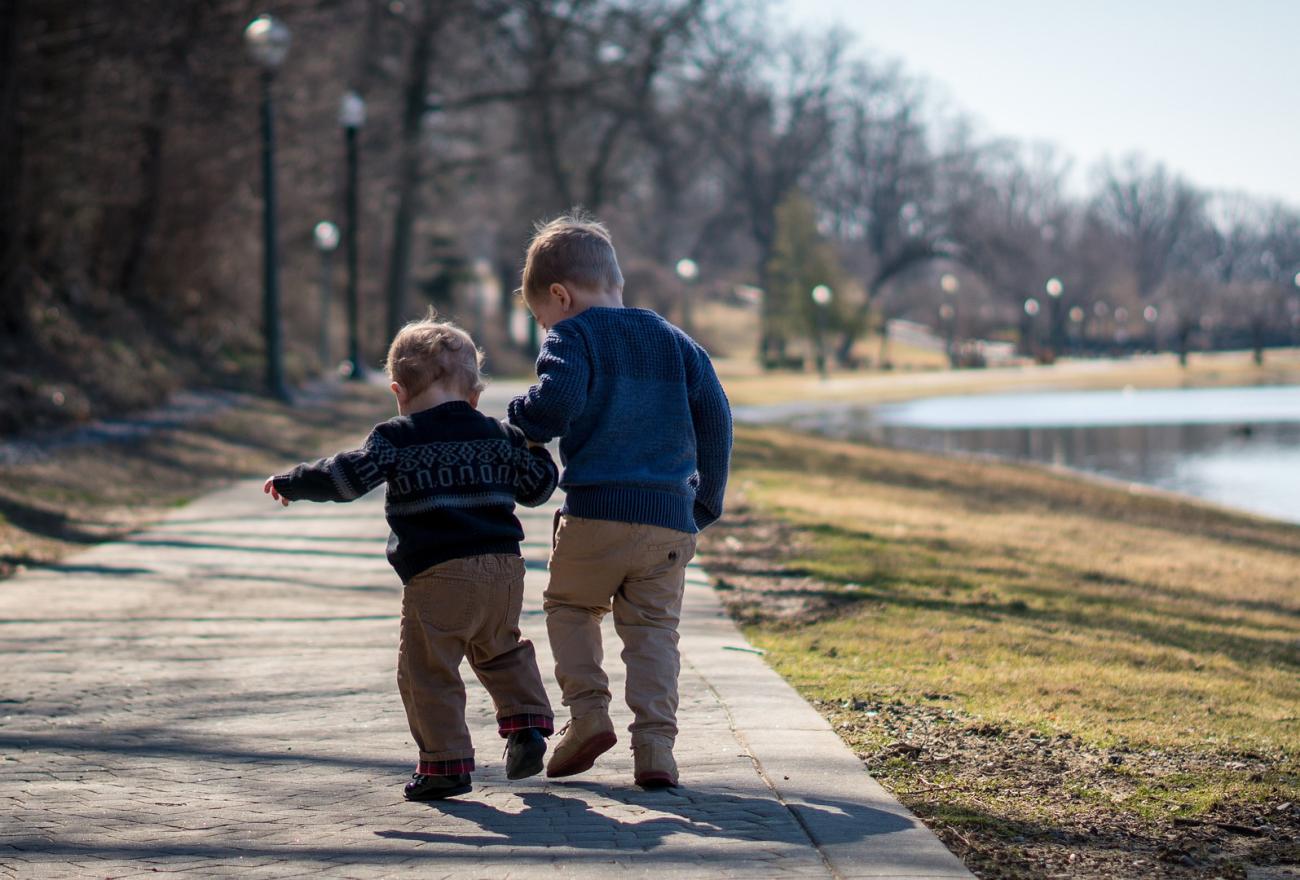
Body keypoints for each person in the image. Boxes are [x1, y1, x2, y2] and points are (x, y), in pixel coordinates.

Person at [264, 316, 558, 801]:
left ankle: (445, 764)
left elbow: (346, 478)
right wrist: (535, 445)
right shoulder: (497, 435)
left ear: (398, 391)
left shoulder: (396, 437)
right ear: (474, 393)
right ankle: (526, 725)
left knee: (427, 669)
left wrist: (295, 482)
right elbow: (537, 488)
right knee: (501, 648)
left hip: (438, 573)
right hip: (504, 570)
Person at [508, 211, 733, 789]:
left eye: (540, 317)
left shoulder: (573, 335)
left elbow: (553, 407)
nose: (544, 326)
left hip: (596, 513)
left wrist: (519, 417)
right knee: (654, 630)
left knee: (570, 608)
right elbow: (717, 418)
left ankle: (587, 716)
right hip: (668, 521)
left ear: (560, 296)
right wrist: (705, 500)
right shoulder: (676, 342)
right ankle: (656, 748)